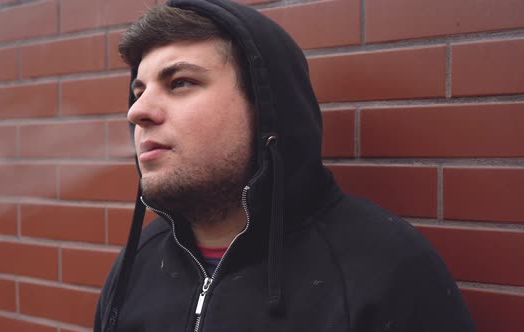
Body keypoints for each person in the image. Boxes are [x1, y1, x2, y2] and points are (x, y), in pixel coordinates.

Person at [94, 0, 475, 331]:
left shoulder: (385, 271)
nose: (137, 112)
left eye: (179, 82)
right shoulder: (139, 261)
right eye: (138, 92)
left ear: (266, 109)